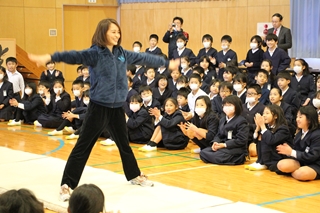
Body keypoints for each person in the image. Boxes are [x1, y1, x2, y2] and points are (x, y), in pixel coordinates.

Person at [28, 18, 180, 201]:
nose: (117, 35)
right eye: (113, 31)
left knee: (124, 144)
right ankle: (67, 185)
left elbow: (144, 58)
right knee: (83, 146)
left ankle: (134, 175)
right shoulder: (95, 53)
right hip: (98, 107)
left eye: (118, 32)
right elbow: (73, 56)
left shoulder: (121, 53)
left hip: (117, 108)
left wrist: (166, 63)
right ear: (103, 33)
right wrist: (49, 57)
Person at [200, 95, 249, 165]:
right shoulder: (223, 119)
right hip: (223, 148)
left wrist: (225, 145)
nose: (227, 107)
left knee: (219, 156)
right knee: (203, 152)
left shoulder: (241, 121)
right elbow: (219, 134)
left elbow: (241, 140)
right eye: (225, 105)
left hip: (235, 149)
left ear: (237, 106)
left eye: (230, 105)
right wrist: (216, 142)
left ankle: (236, 159)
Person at [276, 106, 320, 181]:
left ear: (309, 119)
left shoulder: (317, 134)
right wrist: (287, 152)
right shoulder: (300, 133)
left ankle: (297, 172)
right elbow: (296, 151)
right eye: (297, 117)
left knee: (301, 174)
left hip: (315, 163)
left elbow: (313, 156)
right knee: (281, 165)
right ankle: (296, 171)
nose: (297, 120)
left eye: (300, 117)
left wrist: (291, 152)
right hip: (302, 161)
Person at [246, 104, 292, 171]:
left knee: (266, 138)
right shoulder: (266, 127)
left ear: (275, 116)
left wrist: (262, 126)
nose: (264, 115)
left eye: (267, 113)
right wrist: (257, 128)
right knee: (258, 140)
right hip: (268, 157)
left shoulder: (283, 129)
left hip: (278, 159)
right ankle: (260, 161)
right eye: (263, 113)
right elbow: (256, 140)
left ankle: (264, 163)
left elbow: (271, 140)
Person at [241, 84, 265, 157]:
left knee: (253, 151)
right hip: (242, 134)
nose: (250, 95)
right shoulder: (242, 107)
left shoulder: (263, 108)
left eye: (252, 94)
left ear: (259, 96)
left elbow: (263, 125)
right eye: (248, 93)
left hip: (254, 136)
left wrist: (249, 126)